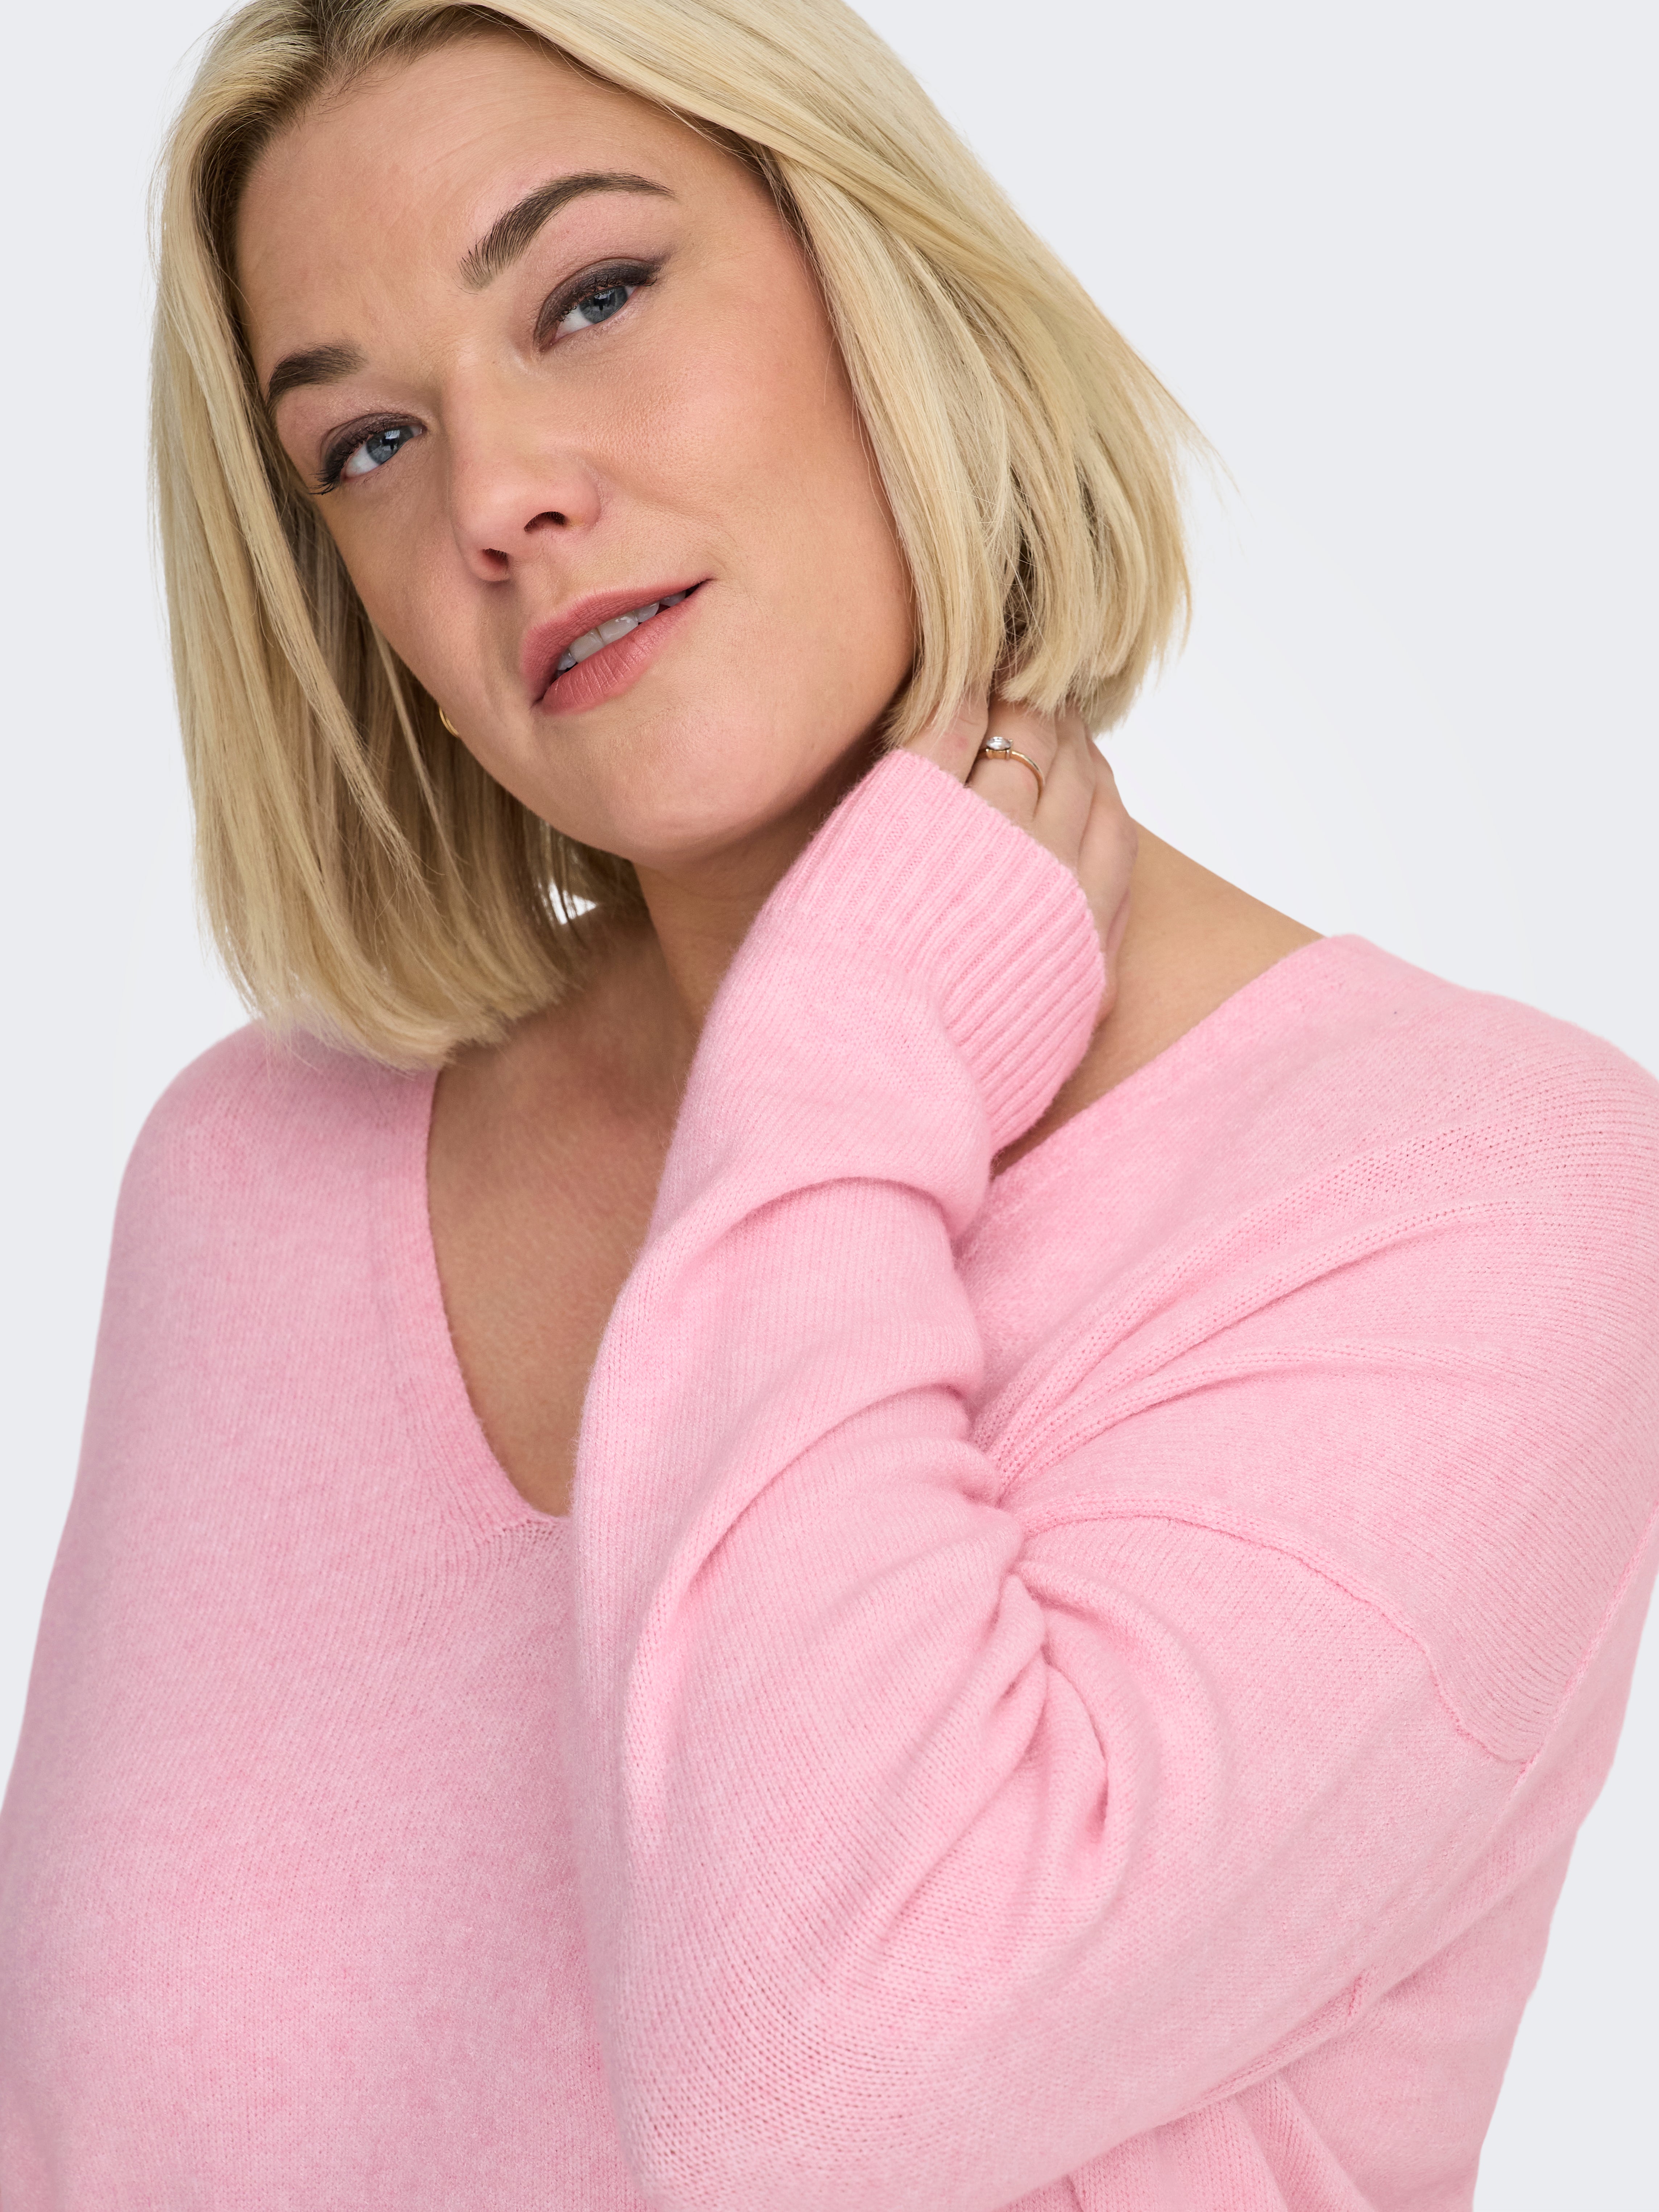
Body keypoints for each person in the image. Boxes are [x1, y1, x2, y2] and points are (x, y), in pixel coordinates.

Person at [2, 0, 1656, 2203]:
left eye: (591, 296)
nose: (496, 499)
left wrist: (838, 1066)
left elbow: (810, 2098)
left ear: (875, 282)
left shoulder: (1480, 1198)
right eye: (370, 443)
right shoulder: (258, 1182)